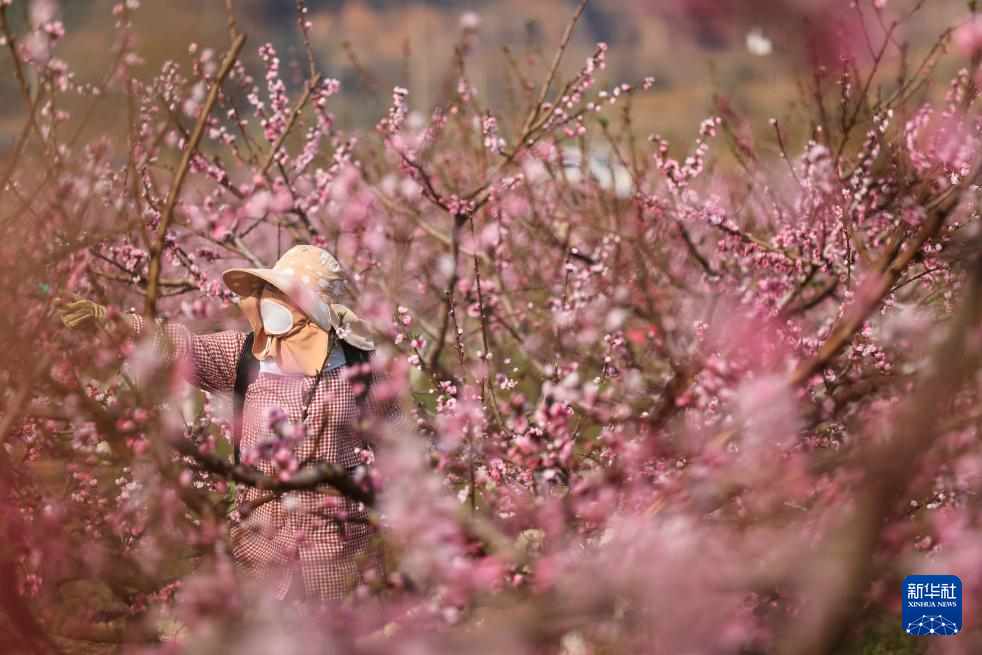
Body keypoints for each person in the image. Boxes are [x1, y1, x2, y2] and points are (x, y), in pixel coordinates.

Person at [55, 244, 402, 602]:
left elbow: (399, 442)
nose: (270, 300)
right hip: (262, 555)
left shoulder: (358, 369)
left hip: (341, 558)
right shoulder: (246, 357)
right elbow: (181, 345)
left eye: (283, 294)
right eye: (270, 291)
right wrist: (113, 321)